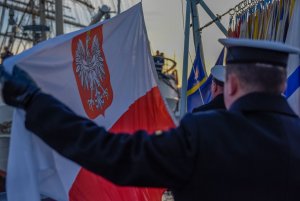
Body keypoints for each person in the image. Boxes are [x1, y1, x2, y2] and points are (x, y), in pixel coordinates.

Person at [1, 38, 300, 201]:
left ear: (231, 85)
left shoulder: (203, 135)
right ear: (282, 85)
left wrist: (33, 101)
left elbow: (111, 153)